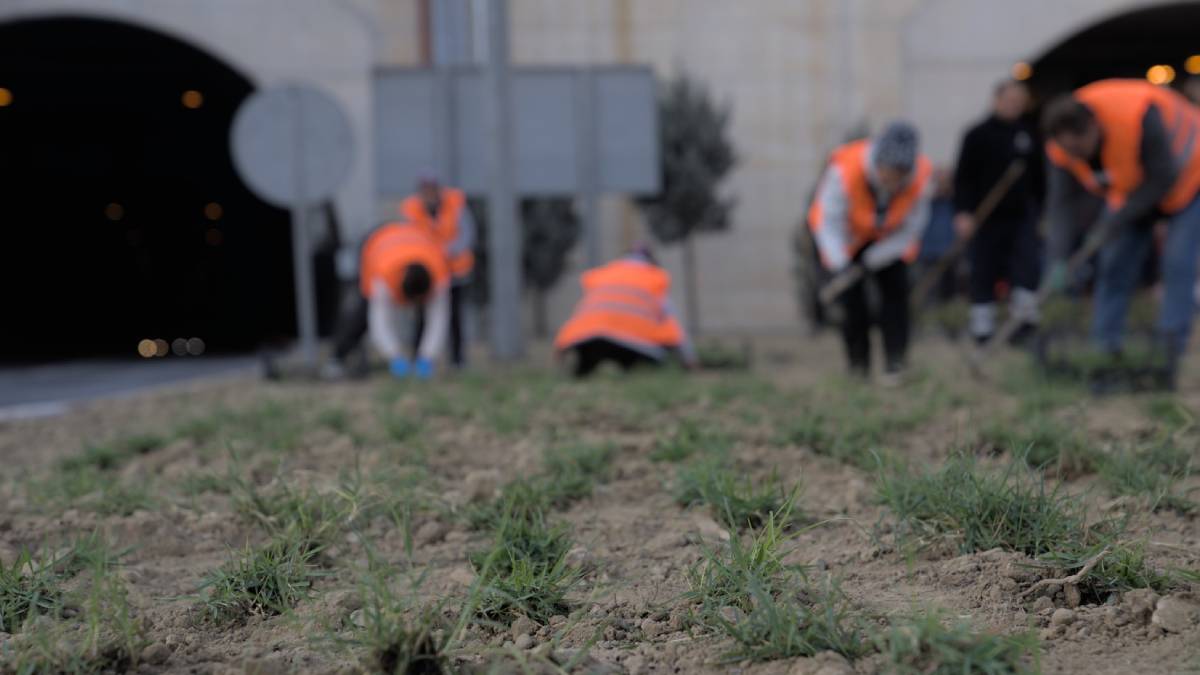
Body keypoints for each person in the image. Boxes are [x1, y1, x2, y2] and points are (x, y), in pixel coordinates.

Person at [1042, 78, 1200, 387]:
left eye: (1079, 148)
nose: (1077, 157)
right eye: (1069, 151)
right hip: (1132, 190)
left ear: (1092, 127)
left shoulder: (1138, 116)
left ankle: (1169, 353)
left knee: (1177, 263)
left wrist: (1113, 223)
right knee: (1113, 264)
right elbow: (1060, 206)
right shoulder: (1060, 147)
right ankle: (1105, 349)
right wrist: (1057, 259)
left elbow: (1162, 178)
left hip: (1190, 178)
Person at [808, 121, 934, 382]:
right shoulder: (845, 168)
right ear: (878, 162)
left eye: (900, 174)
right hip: (846, 240)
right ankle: (858, 367)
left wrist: (874, 258)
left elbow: (912, 230)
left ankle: (895, 364)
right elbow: (827, 222)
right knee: (852, 304)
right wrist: (842, 263)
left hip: (890, 242)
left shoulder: (920, 176)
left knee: (896, 298)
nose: (893, 181)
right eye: (889, 172)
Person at [954, 79, 1043, 344]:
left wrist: (1041, 211)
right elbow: (963, 178)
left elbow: (1040, 179)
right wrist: (963, 212)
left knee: (1025, 269)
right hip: (985, 217)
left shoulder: (1029, 134)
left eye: (1019, 102)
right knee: (983, 270)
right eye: (1010, 100)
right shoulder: (977, 135)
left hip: (1021, 216)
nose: (1015, 106)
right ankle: (982, 330)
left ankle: (1023, 326)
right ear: (997, 100)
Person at [325, 220, 450, 379]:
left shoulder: (439, 276)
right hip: (375, 243)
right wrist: (394, 356)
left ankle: (419, 359)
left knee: (427, 317)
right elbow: (379, 322)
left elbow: (439, 319)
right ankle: (337, 357)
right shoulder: (383, 278)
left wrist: (428, 356)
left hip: (412, 240)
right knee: (362, 312)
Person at [554, 246, 697, 377]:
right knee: (652, 357)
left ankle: (581, 371)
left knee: (589, 357)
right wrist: (689, 361)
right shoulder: (653, 277)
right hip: (632, 343)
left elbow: (580, 314)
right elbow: (674, 326)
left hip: (587, 339)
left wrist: (560, 347)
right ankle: (637, 370)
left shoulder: (602, 274)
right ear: (652, 262)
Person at [400, 173, 475, 368]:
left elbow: (466, 234)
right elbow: (409, 237)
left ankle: (457, 360)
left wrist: (448, 251)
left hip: (454, 272)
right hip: (428, 274)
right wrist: (429, 256)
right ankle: (418, 358)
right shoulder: (413, 210)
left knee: (454, 317)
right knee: (421, 317)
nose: (429, 193)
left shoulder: (456, 205)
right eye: (425, 189)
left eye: (432, 189)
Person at [916, 167, 958, 303]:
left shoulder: (955, 202)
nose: (943, 185)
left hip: (950, 248)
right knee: (929, 283)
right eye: (940, 180)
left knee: (949, 285)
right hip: (928, 249)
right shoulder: (925, 200)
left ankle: (949, 305)